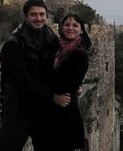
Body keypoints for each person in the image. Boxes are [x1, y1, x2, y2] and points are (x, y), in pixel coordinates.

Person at [0, 0, 72, 151]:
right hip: (19, 108)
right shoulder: (14, 44)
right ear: (26, 16)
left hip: (42, 108)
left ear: (46, 16)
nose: (38, 18)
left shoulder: (51, 38)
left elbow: (57, 69)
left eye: (42, 14)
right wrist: (53, 96)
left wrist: (71, 86)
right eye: (34, 15)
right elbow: (23, 80)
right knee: (8, 147)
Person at [42, 13, 92, 151]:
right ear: (62, 28)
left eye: (75, 25)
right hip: (48, 111)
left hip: (66, 113)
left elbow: (66, 85)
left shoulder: (80, 55)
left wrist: (42, 82)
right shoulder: (55, 48)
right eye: (67, 25)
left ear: (81, 30)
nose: (71, 28)